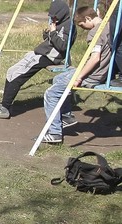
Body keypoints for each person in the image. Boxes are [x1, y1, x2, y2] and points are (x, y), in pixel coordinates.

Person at [0, 0, 75, 120]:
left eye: (55, 17)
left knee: (18, 75)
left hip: (49, 57)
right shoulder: (59, 23)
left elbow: (63, 46)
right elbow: (52, 40)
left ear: (62, 14)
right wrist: (48, 33)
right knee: (12, 71)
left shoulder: (69, 25)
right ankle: (5, 105)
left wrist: (53, 32)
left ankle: (5, 108)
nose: (53, 19)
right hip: (42, 53)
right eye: (52, 17)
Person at [42, 6, 114, 144]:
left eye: (82, 25)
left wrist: (79, 77)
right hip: (103, 72)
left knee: (51, 94)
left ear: (88, 18)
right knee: (58, 78)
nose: (82, 28)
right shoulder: (109, 26)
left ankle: (54, 133)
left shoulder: (95, 33)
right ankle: (67, 116)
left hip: (93, 75)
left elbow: (95, 58)